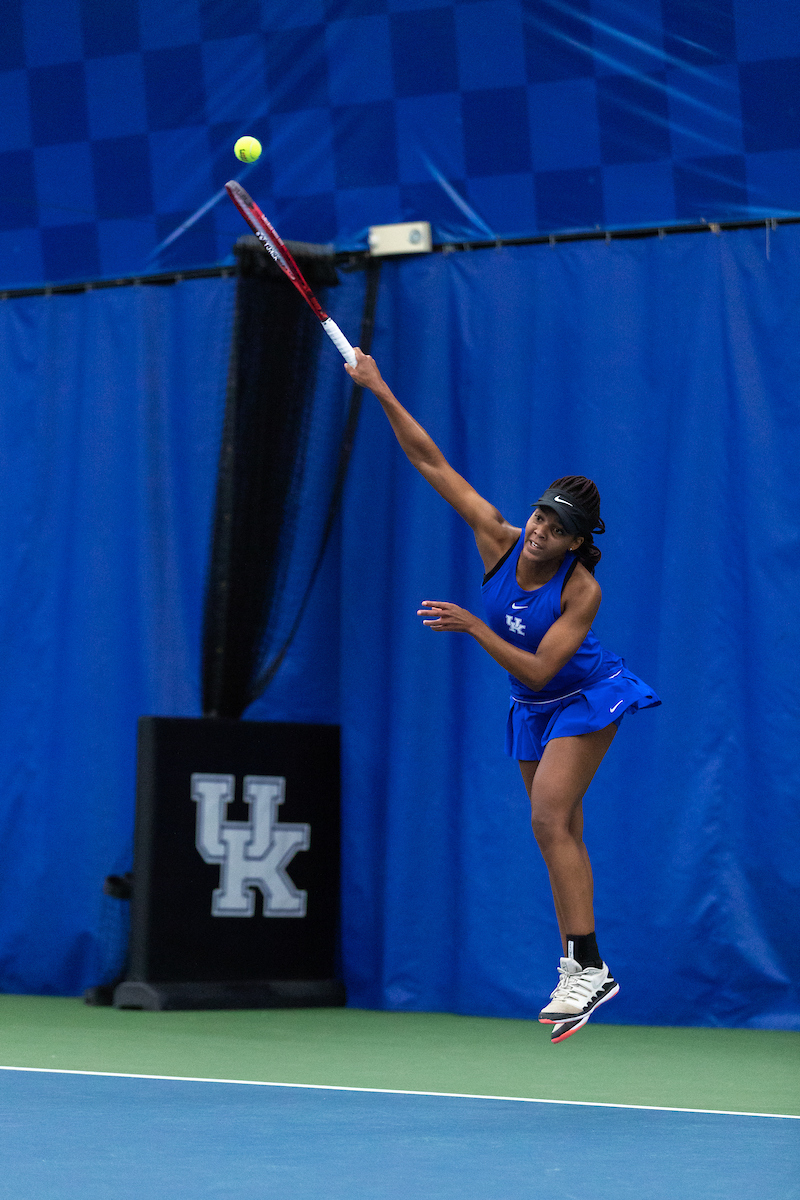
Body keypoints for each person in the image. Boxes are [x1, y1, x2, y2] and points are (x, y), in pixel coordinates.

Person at [346, 348, 661, 1043]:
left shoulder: (582, 590)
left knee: (548, 820)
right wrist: (379, 388)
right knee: (562, 831)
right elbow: (430, 461)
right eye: (540, 517)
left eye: (556, 529)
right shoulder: (498, 536)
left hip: (587, 695)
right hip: (533, 708)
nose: (541, 531)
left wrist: (470, 625)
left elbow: (545, 670)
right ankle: (581, 968)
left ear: (577, 543)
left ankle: (588, 965)